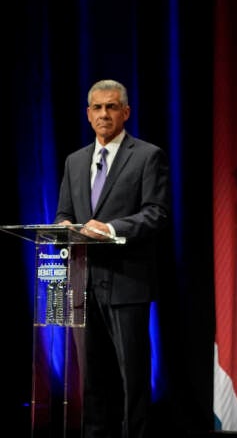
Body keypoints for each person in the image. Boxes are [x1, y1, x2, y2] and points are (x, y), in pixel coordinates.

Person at [56, 79, 170, 438]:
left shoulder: (148, 156)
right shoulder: (75, 161)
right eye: (97, 108)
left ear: (126, 112)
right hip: (83, 283)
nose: (104, 114)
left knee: (133, 377)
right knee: (91, 377)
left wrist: (109, 229)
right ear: (88, 115)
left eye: (111, 106)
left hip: (126, 283)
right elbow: (63, 213)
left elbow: (157, 213)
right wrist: (62, 227)